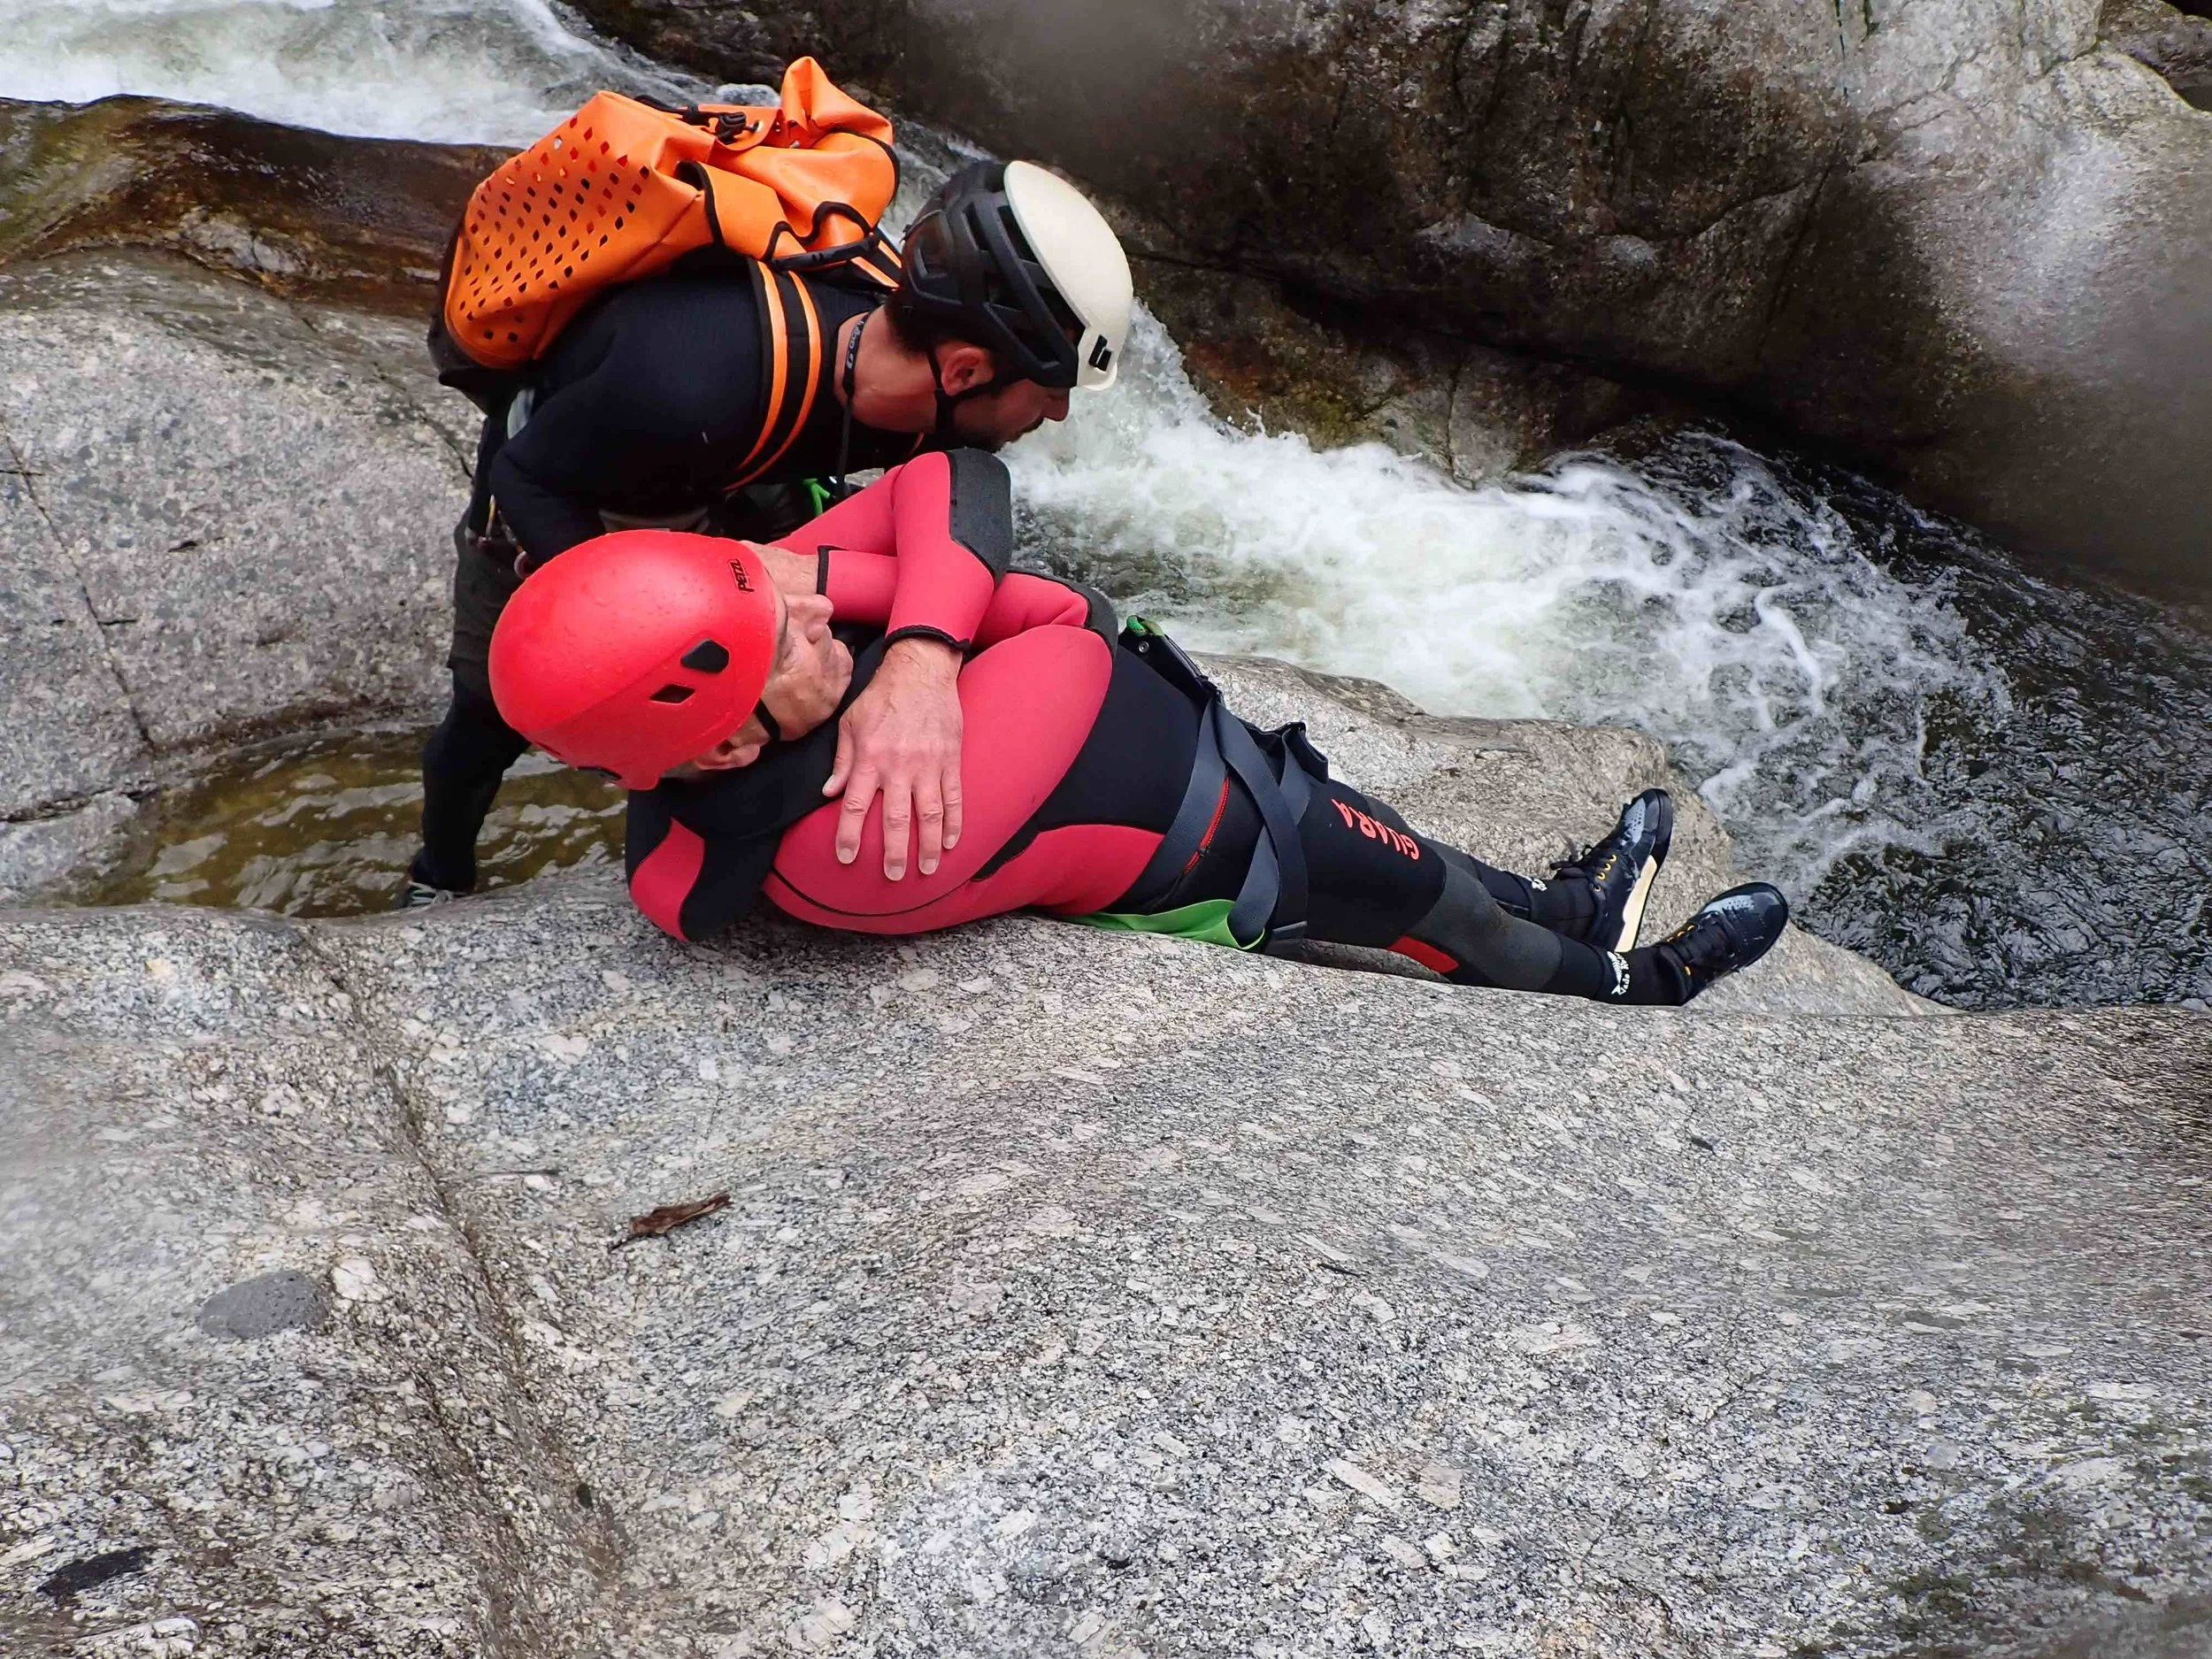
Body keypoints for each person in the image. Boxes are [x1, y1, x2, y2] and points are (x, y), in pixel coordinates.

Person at [485, 451, 1791, 1004]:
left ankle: (1583, 907)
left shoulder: (739, 732)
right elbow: (1057, 616)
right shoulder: (855, 836)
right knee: (1451, 914)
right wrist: (909, 608)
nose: (816, 620)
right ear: (720, 745)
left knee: (1448, 866)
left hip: (1194, 775)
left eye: (800, 607)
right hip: (1230, 847)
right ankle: (1642, 981)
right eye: (791, 642)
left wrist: (917, 653)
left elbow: (955, 474)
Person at [403, 158, 1133, 906]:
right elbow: (525, 475)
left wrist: (921, 657)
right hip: (566, 487)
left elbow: (971, 492)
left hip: (737, 468)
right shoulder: (688, 380)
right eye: (1050, 393)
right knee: (487, 718)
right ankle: (440, 869)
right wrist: (648, 618)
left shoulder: (921, 380)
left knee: (813, 634)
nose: (1059, 416)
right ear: (967, 373)